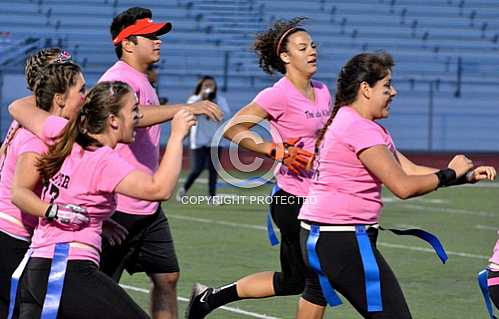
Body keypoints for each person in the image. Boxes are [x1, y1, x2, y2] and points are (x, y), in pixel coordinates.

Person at [295, 52, 496, 319]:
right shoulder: (360, 129)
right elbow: (402, 186)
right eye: (387, 86)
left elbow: (410, 170)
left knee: (313, 302)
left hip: (316, 234)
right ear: (365, 89)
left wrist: (463, 176)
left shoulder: (349, 120)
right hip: (342, 240)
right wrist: (449, 173)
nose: (394, 92)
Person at [12, 81, 196, 319]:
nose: (139, 116)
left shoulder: (63, 133)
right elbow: (159, 189)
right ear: (113, 120)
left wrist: (95, 219)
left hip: (39, 267)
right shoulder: (102, 159)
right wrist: (177, 135)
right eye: (133, 110)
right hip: (66, 270)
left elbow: (18, 108)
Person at [186, 17, 330, 318]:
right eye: (303, 47)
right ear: (286, 57)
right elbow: (234, 129)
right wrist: (274, 149)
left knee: (293, 281)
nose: (312, 51)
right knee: (318, 281)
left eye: (313, 45)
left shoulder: (323, 90)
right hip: (293, 200)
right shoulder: (276, 94)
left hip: (320, 197)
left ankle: (209, 298)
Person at [97, 7, 222, 319]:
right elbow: (129, 118)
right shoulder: (117, 77)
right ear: (127, 43)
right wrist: (181, 110)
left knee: (166, 277)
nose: (158, 41)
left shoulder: (140, 79)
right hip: (119, 205)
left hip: (147, 205)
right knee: (98, 286)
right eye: (150, 36)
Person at [0, 50, 79, 318]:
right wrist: (55, 212)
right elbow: (19, 193)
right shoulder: (37, 133)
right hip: (13, 234)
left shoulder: (25, 117)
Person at [177, 76, 231, 201]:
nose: (209, 88)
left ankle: (212, 197)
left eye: (211, 85)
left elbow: (226, 115)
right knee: (197, 168)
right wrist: (202, 97)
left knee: (213, 169)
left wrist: (215, 103)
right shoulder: (194, 99)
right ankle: (184, 189)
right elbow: (189, 111)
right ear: (201, 87)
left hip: (215, 140)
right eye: (206, 85)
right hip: (199, 140)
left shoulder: (219, 99)